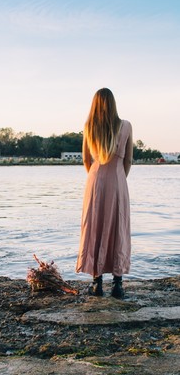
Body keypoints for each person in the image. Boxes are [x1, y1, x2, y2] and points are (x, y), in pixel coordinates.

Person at [76, 88, 133, 299]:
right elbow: (128, 159)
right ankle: (118, 284)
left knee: (94, 227)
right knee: (118, 226)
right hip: (118, 181)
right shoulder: (126, 125)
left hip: (95, 181)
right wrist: (119, 178)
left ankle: (96, 283)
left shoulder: (89, 126)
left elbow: (85, 160)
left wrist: (95, 178)